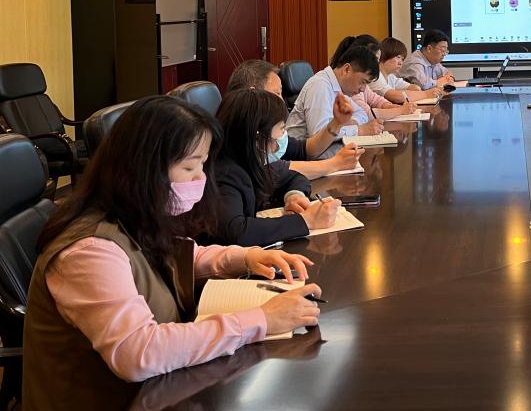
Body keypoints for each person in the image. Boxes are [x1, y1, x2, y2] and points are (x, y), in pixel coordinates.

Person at [23, 96, 321, 407]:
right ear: (144, 168)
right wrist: (260, 320)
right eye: (189, 166)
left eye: (202, 165)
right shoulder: (89, 251)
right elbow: (137, 352)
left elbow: (180, 256)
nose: (200, 178)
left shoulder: (134, 213)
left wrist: (245, 257)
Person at [206, 89, 342, 247]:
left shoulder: (251, 161)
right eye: (282, 129)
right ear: (258, 138)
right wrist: (306, 221)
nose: (283, 137)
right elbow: (237, 232)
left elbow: (294, 177)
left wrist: (294, 196)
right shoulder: (224, 174)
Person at [226, 59, 363, 179]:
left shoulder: (267, 130)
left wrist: (336, 123)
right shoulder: (239, 136)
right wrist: (335, 164)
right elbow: (273, 170)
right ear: (253, 94)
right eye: (276, 93)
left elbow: (307, 150)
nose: (281, 101)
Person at [286, 43, 385, 158]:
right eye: (363, 82)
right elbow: (319, 135)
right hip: (299, 158)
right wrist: (358, 130)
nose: (363, 89)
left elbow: (362, 114)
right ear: (347, 69)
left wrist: (342, 123)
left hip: (323, 152)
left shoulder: (339, 88)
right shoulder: (320, 86)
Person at [335, 35, 419, 120]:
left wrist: (390, 106)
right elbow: (367, 114)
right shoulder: (351, 85)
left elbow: (375, 100)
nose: (376, 64)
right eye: (375, 59)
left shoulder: (359, 81)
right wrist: (400, 110)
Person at [369, 37, 442, 103]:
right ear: (385, 55)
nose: (401, 62)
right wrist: (426, 94)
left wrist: (406, 93)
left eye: (402, 59)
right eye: (398, 57)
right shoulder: (375, 76)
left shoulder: (391, 77)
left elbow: (415, 88)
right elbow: (396, 97)